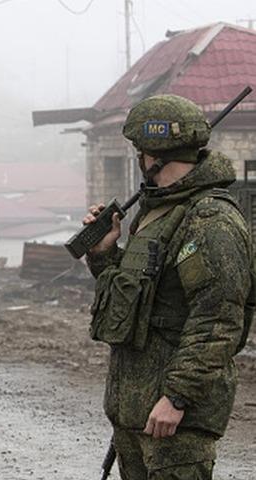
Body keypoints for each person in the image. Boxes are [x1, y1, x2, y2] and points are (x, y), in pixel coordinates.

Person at [83, 94, 254, 479]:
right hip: (137, 414)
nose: (138, 160)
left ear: (153, 155)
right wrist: (104, 254)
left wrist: (176, 396)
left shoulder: (210, 220)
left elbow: (218, 322)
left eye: (139, 152)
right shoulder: (157, 211)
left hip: (174, 422)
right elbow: (136, 302)